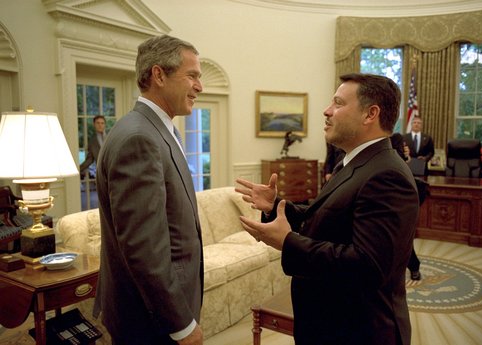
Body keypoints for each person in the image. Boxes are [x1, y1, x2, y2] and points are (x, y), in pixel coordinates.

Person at [236, 73, 419, 345]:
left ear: (370, 114)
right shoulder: (353, 163)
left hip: (358, 332)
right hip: (331, 322)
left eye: (337, 103)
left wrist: (288, 242)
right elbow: (327, 220)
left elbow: (368, 267)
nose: (326, 110)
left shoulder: (387, 175)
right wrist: (277, 207)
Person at [93, 35, 204, 345]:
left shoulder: (157, 129)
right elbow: (145, 250)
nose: (200, 86)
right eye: (192, 75)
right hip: (151, 320)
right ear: (159, 75)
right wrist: (181, 325)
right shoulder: (138, 139)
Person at [390, 133, 425, 281]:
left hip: (398, 194)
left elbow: (401, 161)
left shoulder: (395, 137)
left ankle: (414, 266)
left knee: (400, 234)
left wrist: (406, 156)